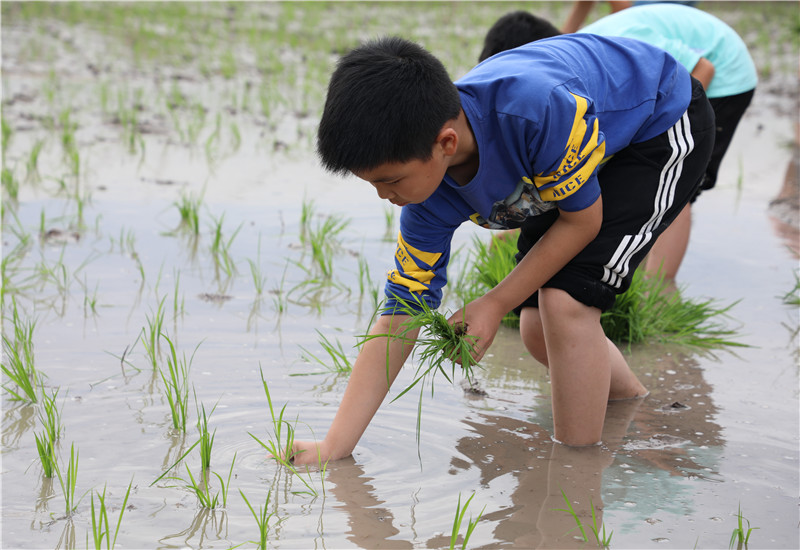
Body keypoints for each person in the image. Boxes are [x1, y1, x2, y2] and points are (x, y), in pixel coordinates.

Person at [291, 33, 714, 464]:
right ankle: (632, 407)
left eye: (391, 180)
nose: (384, 196)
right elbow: (400, 315)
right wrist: (334, 447)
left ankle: (576, 474)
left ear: (446, 144)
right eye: (373, 184)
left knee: (565, 302)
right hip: (566, 158)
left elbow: (582, 221)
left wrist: (493, 303)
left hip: (658, 122)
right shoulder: (426, 202)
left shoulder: (533, 112)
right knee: (535, 329)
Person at [480, 4, 757, 288]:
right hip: (655, 91)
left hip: (725, 76)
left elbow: (702, 69)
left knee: (675, 180)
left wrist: (675, 129)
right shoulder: (567, 64)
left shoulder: (620, 41)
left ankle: (659, 288)